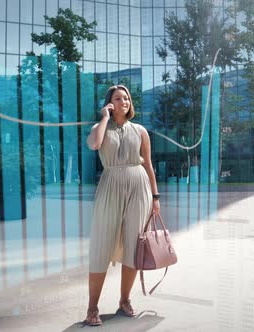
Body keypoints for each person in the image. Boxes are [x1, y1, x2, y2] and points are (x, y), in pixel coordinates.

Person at [84, 85, 161, 326]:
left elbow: (148, 164)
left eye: (126, 98)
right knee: (101, 246)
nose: (124, 101)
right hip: (110, 188)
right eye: (118, 98)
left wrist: (156, 197)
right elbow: (95, 145)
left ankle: (124, 300)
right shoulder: (100, 129)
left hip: (140, 189)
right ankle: (92, 307)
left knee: (134, 246)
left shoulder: (140, 131)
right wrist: (104, 117)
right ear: (109, 103)